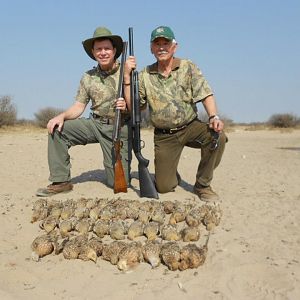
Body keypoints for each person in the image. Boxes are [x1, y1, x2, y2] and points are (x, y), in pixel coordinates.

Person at [130, 25, 227, 202]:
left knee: (217, 137)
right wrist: (128, 78)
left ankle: (203, 185)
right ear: (151, 48)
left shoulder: (188, 67)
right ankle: (169, 172)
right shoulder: (144, 74)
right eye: (157, 44)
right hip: (164, 136)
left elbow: (205, 94)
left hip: (190, 127)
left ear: (174, 46)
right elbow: (138, 107)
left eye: (165, 43)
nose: (161, 47)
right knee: (164, 188)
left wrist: (214, 116)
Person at [36, 26, 133, 197]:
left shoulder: (128, 72)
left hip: (119, 128)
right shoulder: (88, 76)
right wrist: (61, 116)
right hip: (94, 124)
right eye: (98, 49)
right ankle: (61, 181)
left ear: (115, 50)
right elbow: (79, 107)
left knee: (118, 183)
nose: (103, 52)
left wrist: (126, 104)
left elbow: (138, 108)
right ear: (93, 52)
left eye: (107, 48)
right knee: (58, 130)